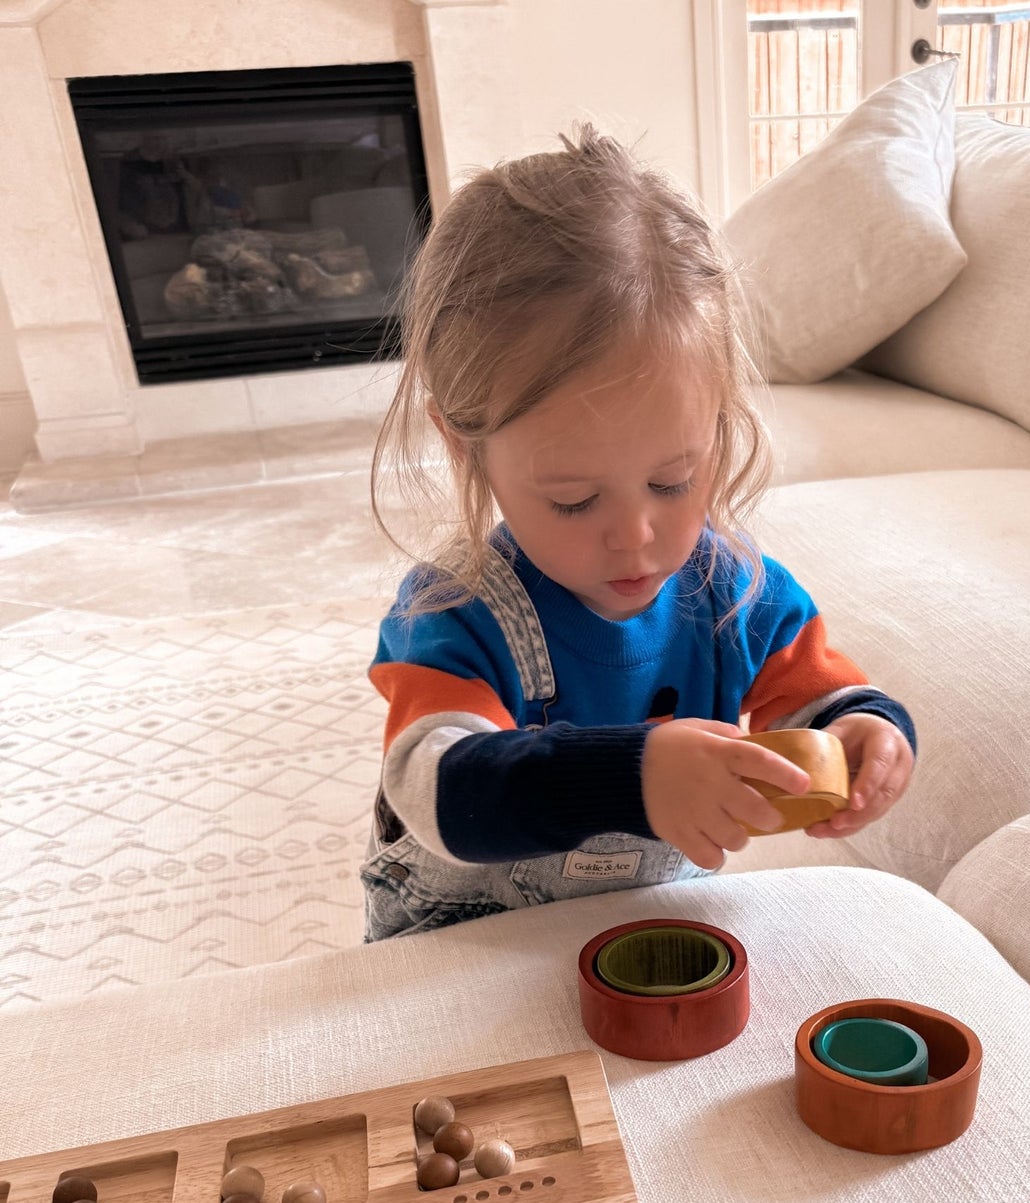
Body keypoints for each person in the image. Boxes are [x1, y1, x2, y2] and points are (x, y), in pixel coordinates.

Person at [361, 124, 915, 942]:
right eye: (574, 498)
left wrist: (865, 733)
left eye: (672, 481)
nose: (636, 537)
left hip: (644, 926)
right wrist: (634, 775)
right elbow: (443, 793)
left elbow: (822, 698)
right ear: (463, 445)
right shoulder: (452, 613)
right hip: (464, 948)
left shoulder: (735, 595)